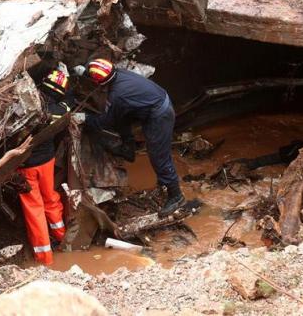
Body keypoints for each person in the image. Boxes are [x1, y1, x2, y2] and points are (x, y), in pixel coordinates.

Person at [77, 58, 185, 216]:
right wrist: (83, 72)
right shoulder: (119, 73)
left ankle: (176, 196)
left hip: (159, 114)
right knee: (122, 117)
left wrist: (85, 119)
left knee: (158, 156)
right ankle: (128, 149)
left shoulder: (117, 96)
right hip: (152, 103)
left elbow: (106, 122)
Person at [17, 69, 71, 265]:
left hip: (26, 167)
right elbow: (67, 104)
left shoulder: (27, 107)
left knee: (34, 208)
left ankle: (44, 257)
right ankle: (63, 238)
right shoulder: (60, 111)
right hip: (47, 162)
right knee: (50, 198)